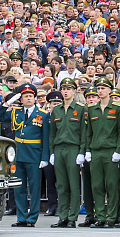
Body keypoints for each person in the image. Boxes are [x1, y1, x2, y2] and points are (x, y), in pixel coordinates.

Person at [0, 84, 50, 227]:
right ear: (21, 99)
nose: (28, 98)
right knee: (20, 187)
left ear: (35, 98)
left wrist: (44, 157)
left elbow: (46, 138)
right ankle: (22, 217)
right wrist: (8, 103)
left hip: (34, 154)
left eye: (31, 96)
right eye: (25, 96)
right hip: (19, 154)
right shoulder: (15, 112)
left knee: (35, 188)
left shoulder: (42, 114)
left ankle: (32, 218)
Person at [82, 77, 120, 227]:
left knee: (112, 185)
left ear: (109, 90)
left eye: (103, 88)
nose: (100, 91)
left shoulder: (117, 108)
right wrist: (88, 150)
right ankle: (100, 215)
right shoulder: (92, 109)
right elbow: (88, 133)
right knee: (97, 185)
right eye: (98, 88)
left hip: (110, 151)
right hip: (96, 151)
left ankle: (111, 216)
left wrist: (118, 151)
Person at [48, 79, 86, 228]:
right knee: (62, 185)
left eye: (69, 88)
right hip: (59, 148)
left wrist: (82, 152)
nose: (65, 91)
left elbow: (84, 132)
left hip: (73, 148)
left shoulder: (81, 109)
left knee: (74, 185)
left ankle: (72, 217)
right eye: (63, 88)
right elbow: (52, 134)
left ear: (74, 91)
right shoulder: (56, 110)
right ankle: (62, 216)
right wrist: (52, 152)